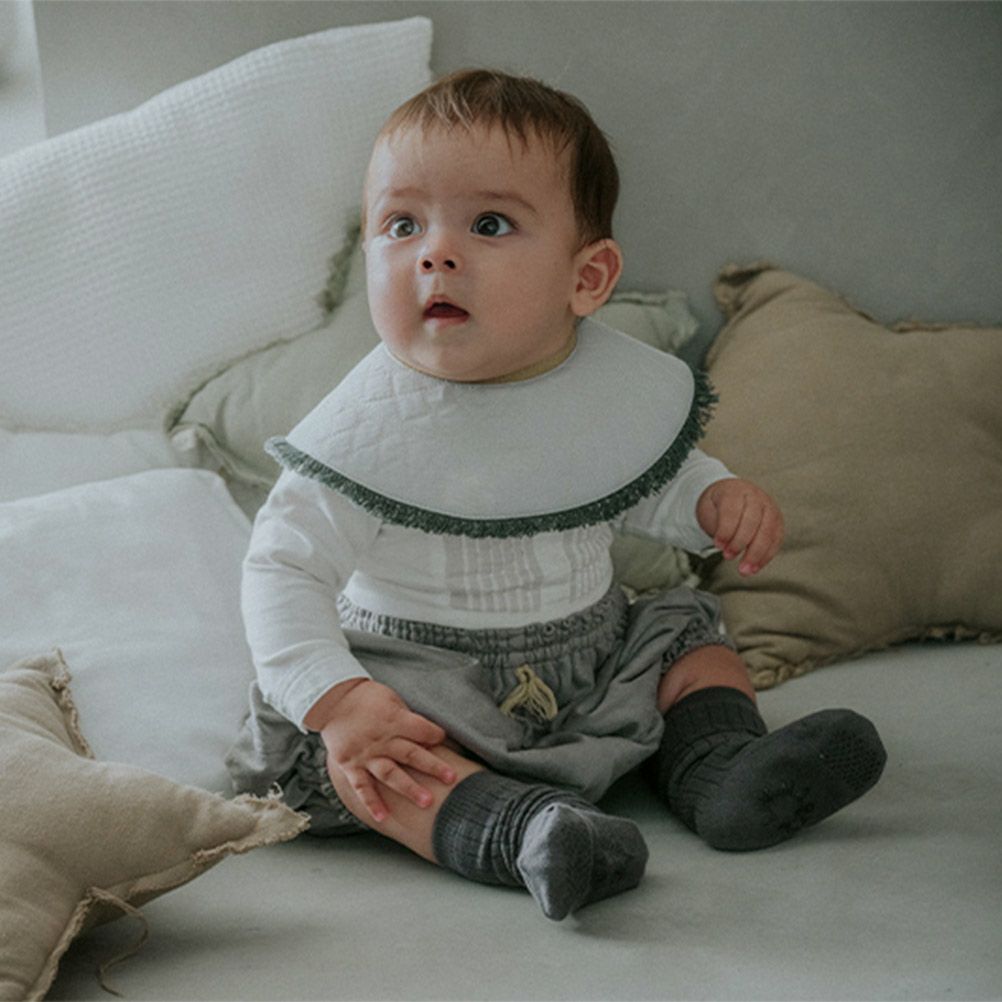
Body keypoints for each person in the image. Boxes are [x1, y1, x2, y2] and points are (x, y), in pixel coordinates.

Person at [227, 69, 886, 921]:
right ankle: (520, 832)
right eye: (401, 224)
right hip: (426, 691)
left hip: (595, 658)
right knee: (372, 766)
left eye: (489, 224)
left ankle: (721, 769)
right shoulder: (360, 438)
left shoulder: (601, 396)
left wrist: (711, 501)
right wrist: (341, 699)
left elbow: (639, 477)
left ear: (587, 278)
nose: (434, 253)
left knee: (687, 635)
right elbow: (282, 572)